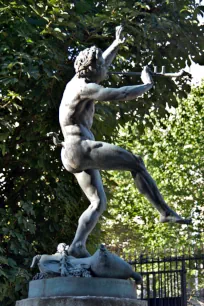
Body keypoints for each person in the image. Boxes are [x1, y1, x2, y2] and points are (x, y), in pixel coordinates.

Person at [58, 26, 190, 258]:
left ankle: (77, 245)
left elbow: (101, 64)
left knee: (97, 203)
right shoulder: (85, 87)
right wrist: (146, 85)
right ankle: (165, 211)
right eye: (102, 68)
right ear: (93, 70)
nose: (106, 71)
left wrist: (116, 44)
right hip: (81, 148)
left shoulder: (77, 80)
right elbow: (119, 94)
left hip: (70, 153)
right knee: (136, 163)